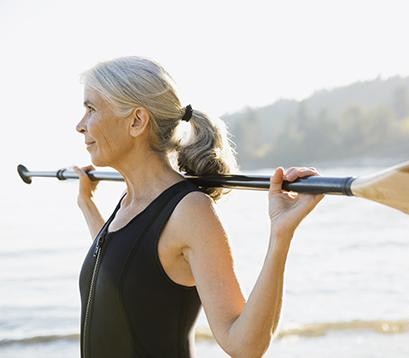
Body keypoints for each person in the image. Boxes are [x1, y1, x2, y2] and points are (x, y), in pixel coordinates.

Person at [73, 56, 324, 358]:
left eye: (91, 109)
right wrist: (87, 204)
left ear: (137, 121)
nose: (80, 125)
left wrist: (280, 235)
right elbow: (125, 269)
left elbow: (245, 345)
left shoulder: (190, 210)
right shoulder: (128, 204)